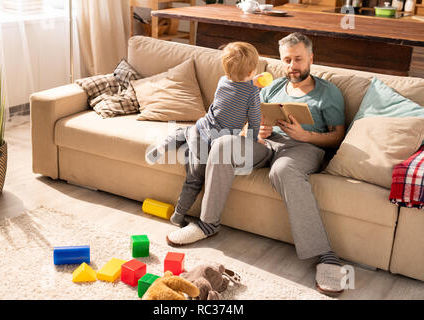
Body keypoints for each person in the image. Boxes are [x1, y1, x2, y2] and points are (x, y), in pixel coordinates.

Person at [166, 33, 349, 296]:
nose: (292, 66)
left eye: (298, 59)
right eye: (287, 60)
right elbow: (247, 120)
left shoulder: (329, 93)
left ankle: (326, 255)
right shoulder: (271, 87)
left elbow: (337, 136)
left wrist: (305, 135)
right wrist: (258, 130)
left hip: (304, 147)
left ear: (311, 57)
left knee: (283, 171)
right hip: (266, 143)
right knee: (223, 144)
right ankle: (207, 224)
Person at [147, 41, 266, 228]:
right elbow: (254, 122)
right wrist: (249, 143)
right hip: (212, 145)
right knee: (195, 180)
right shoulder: (252, 93)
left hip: (199, 129)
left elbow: (236, 86)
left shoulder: (222, 81)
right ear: (251, 72)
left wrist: (249, 79)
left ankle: (164, 145)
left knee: (184, 132)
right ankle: (178, 216)